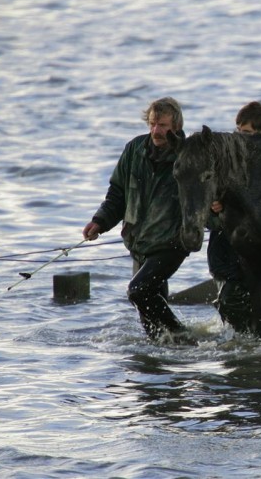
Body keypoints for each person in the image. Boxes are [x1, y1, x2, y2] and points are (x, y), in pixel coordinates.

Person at [82, 97, 193, 343]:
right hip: (139, 242)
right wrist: (99, 222)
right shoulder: (135, 149)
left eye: (163, 125)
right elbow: (117, 194)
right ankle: (163, 369)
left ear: (176, 126)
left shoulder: (188, 155)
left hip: (173, 241)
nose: (156, 131)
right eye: (153, 124)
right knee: (150, 324)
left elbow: (204, 196)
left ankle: (184, 338)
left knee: (138, 291)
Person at [207, 101, 261, 334]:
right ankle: (247, 340)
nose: (240, 138)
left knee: (245, 298)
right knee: (233, 297)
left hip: (258, 248)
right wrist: (214, 207)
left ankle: (252, 344)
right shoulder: (227, 159)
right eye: (238, 132)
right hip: (225, 247)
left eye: (246, 133)